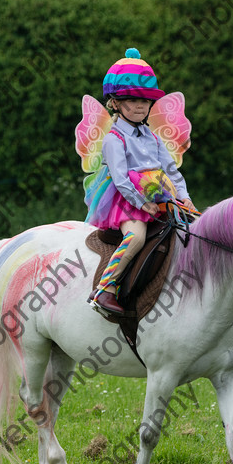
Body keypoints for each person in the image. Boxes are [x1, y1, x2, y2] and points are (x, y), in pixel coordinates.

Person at [85, 48, 195, 315]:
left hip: (161, 194)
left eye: (144, 101)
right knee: (135, 237)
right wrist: (141, 202)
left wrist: (184, 196)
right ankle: (105, 289)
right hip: (128, 201)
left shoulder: (153, 137)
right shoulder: (114, 138)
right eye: (132, 100)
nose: (139, 106)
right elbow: (121, 179)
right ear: (115, 103)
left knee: (190, 234)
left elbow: (170, 170)